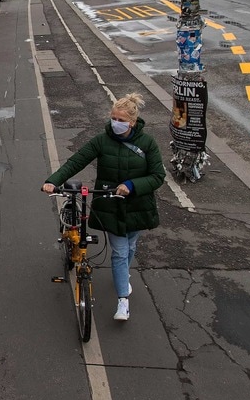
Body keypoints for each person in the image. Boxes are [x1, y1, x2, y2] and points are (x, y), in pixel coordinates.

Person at [40, 93, 165, 321]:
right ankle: (122, 301)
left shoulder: (148, 144)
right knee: (119, 251)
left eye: (121, 119)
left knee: (130, 245)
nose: (115, 123)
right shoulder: (102, 140)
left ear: (133, 122)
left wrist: (131, 185)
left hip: (138, 205)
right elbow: (76, 161)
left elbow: (158, 176)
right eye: (113, 118)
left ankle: (123, 276)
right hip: (110, 206)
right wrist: (53, 181)